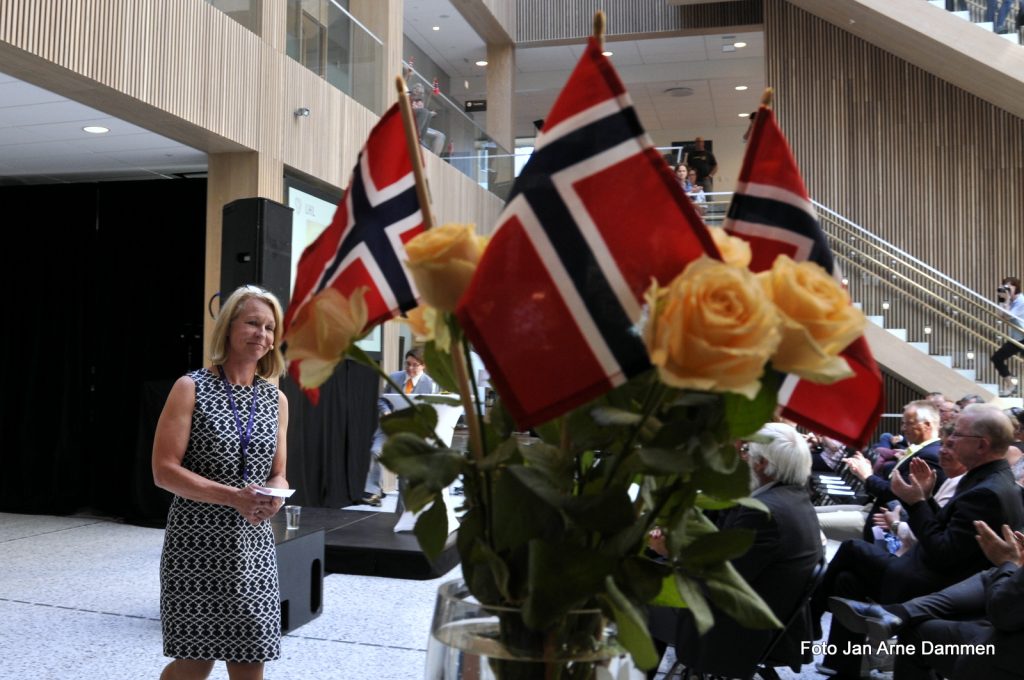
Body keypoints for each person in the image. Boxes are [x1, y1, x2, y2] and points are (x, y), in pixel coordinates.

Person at [815, 404, 1024, 679]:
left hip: (936, 584)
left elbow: (941, 553)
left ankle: (808, 618)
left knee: (852, 550)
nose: (947, 441)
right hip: (931, 572)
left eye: (956, 436)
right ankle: (841, 668)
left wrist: (916, 504)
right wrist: (923, 501)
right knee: (846, 581)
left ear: (981, 446)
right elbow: (947, 536)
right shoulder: (985, 480)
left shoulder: (987, 491)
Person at [152, 285, 289, 680]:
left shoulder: (275, 399)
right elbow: (164, 471)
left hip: (252, 543)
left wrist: (276, 493)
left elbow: (278, 470)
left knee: (250, 657)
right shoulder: (190, 387)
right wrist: (233, 497)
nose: (261, 334)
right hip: (196, 542)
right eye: (252, 323)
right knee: (196, 661)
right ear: (228, 326)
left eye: (269, 327)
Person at [647, 423, 822, 678]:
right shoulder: (793, 497)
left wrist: (672, 552)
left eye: (745, 451)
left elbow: (720, 582)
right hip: (769, 613)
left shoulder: (765, 512)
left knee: (645, 591)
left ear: (761, 463)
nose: (741, 456)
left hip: (735, 630)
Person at [828, 520, 1024, 680]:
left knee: (915, 633)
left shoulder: (989, 492)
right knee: (849, 576)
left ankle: (895, 613)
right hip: (928, 567)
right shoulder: (985, 483)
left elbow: (1002, 612)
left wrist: (1009, 564)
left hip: (1006, 653)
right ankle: (896, 613)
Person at [362, 347, 438, 506]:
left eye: (415, 365)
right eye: (407, 364)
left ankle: (403, 512)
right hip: (390, 426)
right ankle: (375, 492)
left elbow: (430, 411)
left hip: (412, 432)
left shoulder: (430, 385)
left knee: (405, 472)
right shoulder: (394, 377)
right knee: (376, 451)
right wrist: (387, 412)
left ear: (423, 366)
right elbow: (382, 400)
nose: (410, 368)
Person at [991, 276, 1024, 396]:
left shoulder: (1021, 301)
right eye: (1006, 286)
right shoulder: (1009, 300)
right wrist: (1003, 300)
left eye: (1011, 286)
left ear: (1017, 287)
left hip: (1022, 336)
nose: (1008, 288)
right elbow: (1000, 315)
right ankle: (1010, 384)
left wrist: (1007, 301)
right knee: (997, 358)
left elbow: (1008, 316)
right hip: (1018, 337)